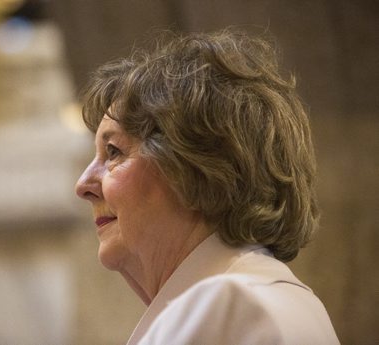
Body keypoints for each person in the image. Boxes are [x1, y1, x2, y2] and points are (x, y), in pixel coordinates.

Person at [75, 29, 339, 344]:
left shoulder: (227, 308)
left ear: (193, 165)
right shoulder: (272, 296)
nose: (84, 185)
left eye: (114, 152)